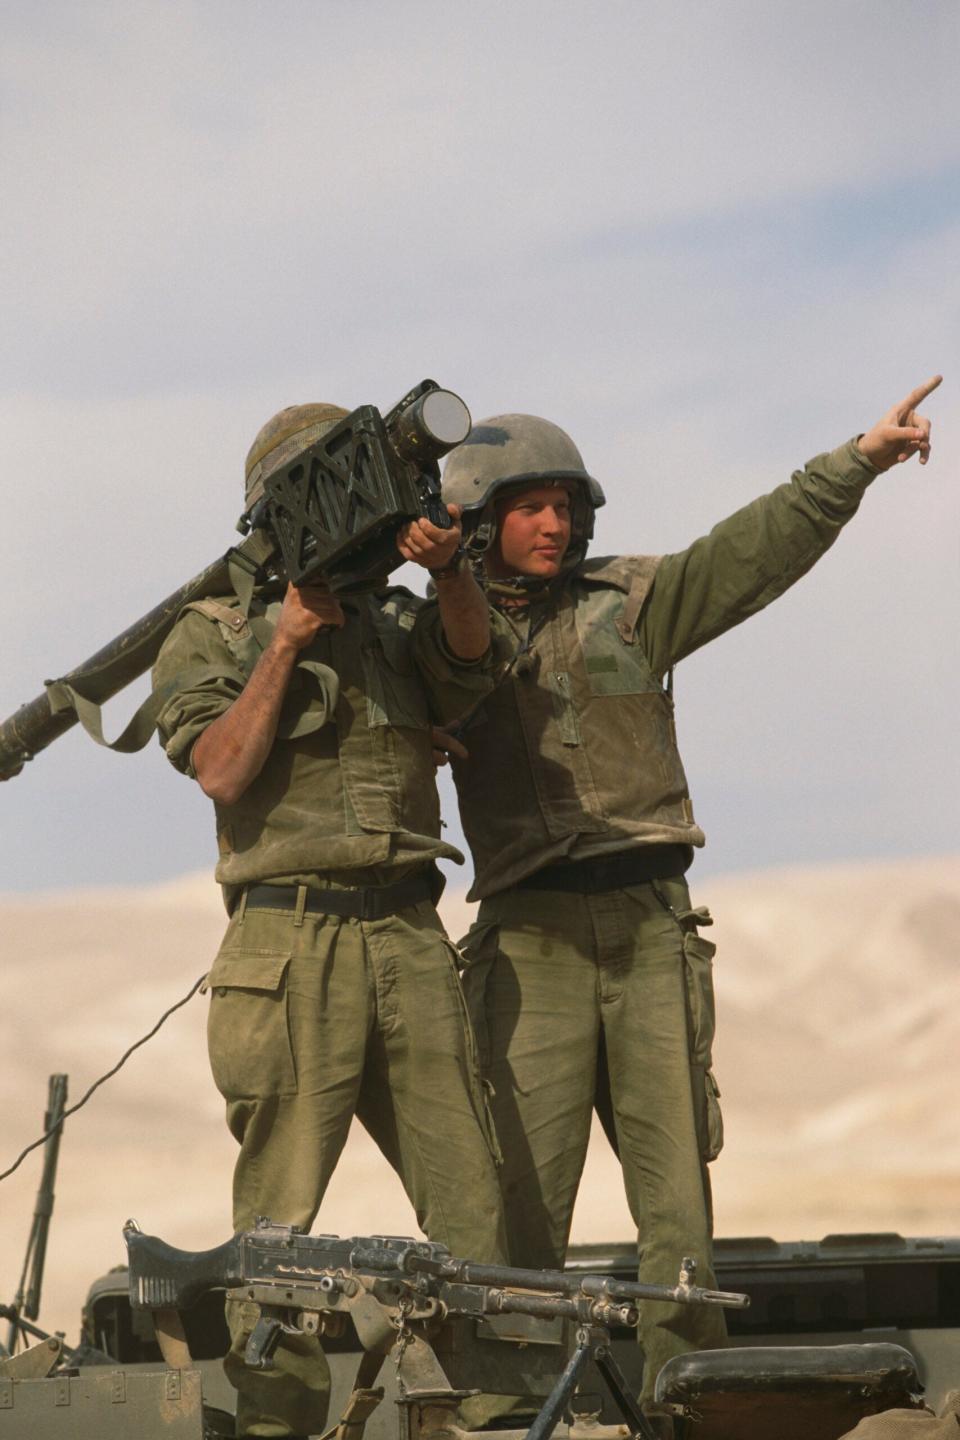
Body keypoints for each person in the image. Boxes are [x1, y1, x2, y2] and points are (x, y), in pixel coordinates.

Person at [425, 376, 942, 1412]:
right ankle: (519, 1418)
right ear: (475, 523)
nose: (556, 522)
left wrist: (855, 463)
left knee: (679, 1218)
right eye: (530, 505)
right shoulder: (437, 635)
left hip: (653, 927)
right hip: (529, 945)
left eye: (567, 505)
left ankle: (693, 1410)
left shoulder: (635, 604)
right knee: (524, 1213)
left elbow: (750, 553)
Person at [152, 402, 508, 1440]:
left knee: (470, 1204)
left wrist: (448, 570)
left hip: (406, 930)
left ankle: (487, 1416)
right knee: (279, 1234)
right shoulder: (212, 632)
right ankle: (276, 1427)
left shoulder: (399, 624)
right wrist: (288, 644)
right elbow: (219, 768)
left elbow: (474, 661)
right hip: (289, 936)